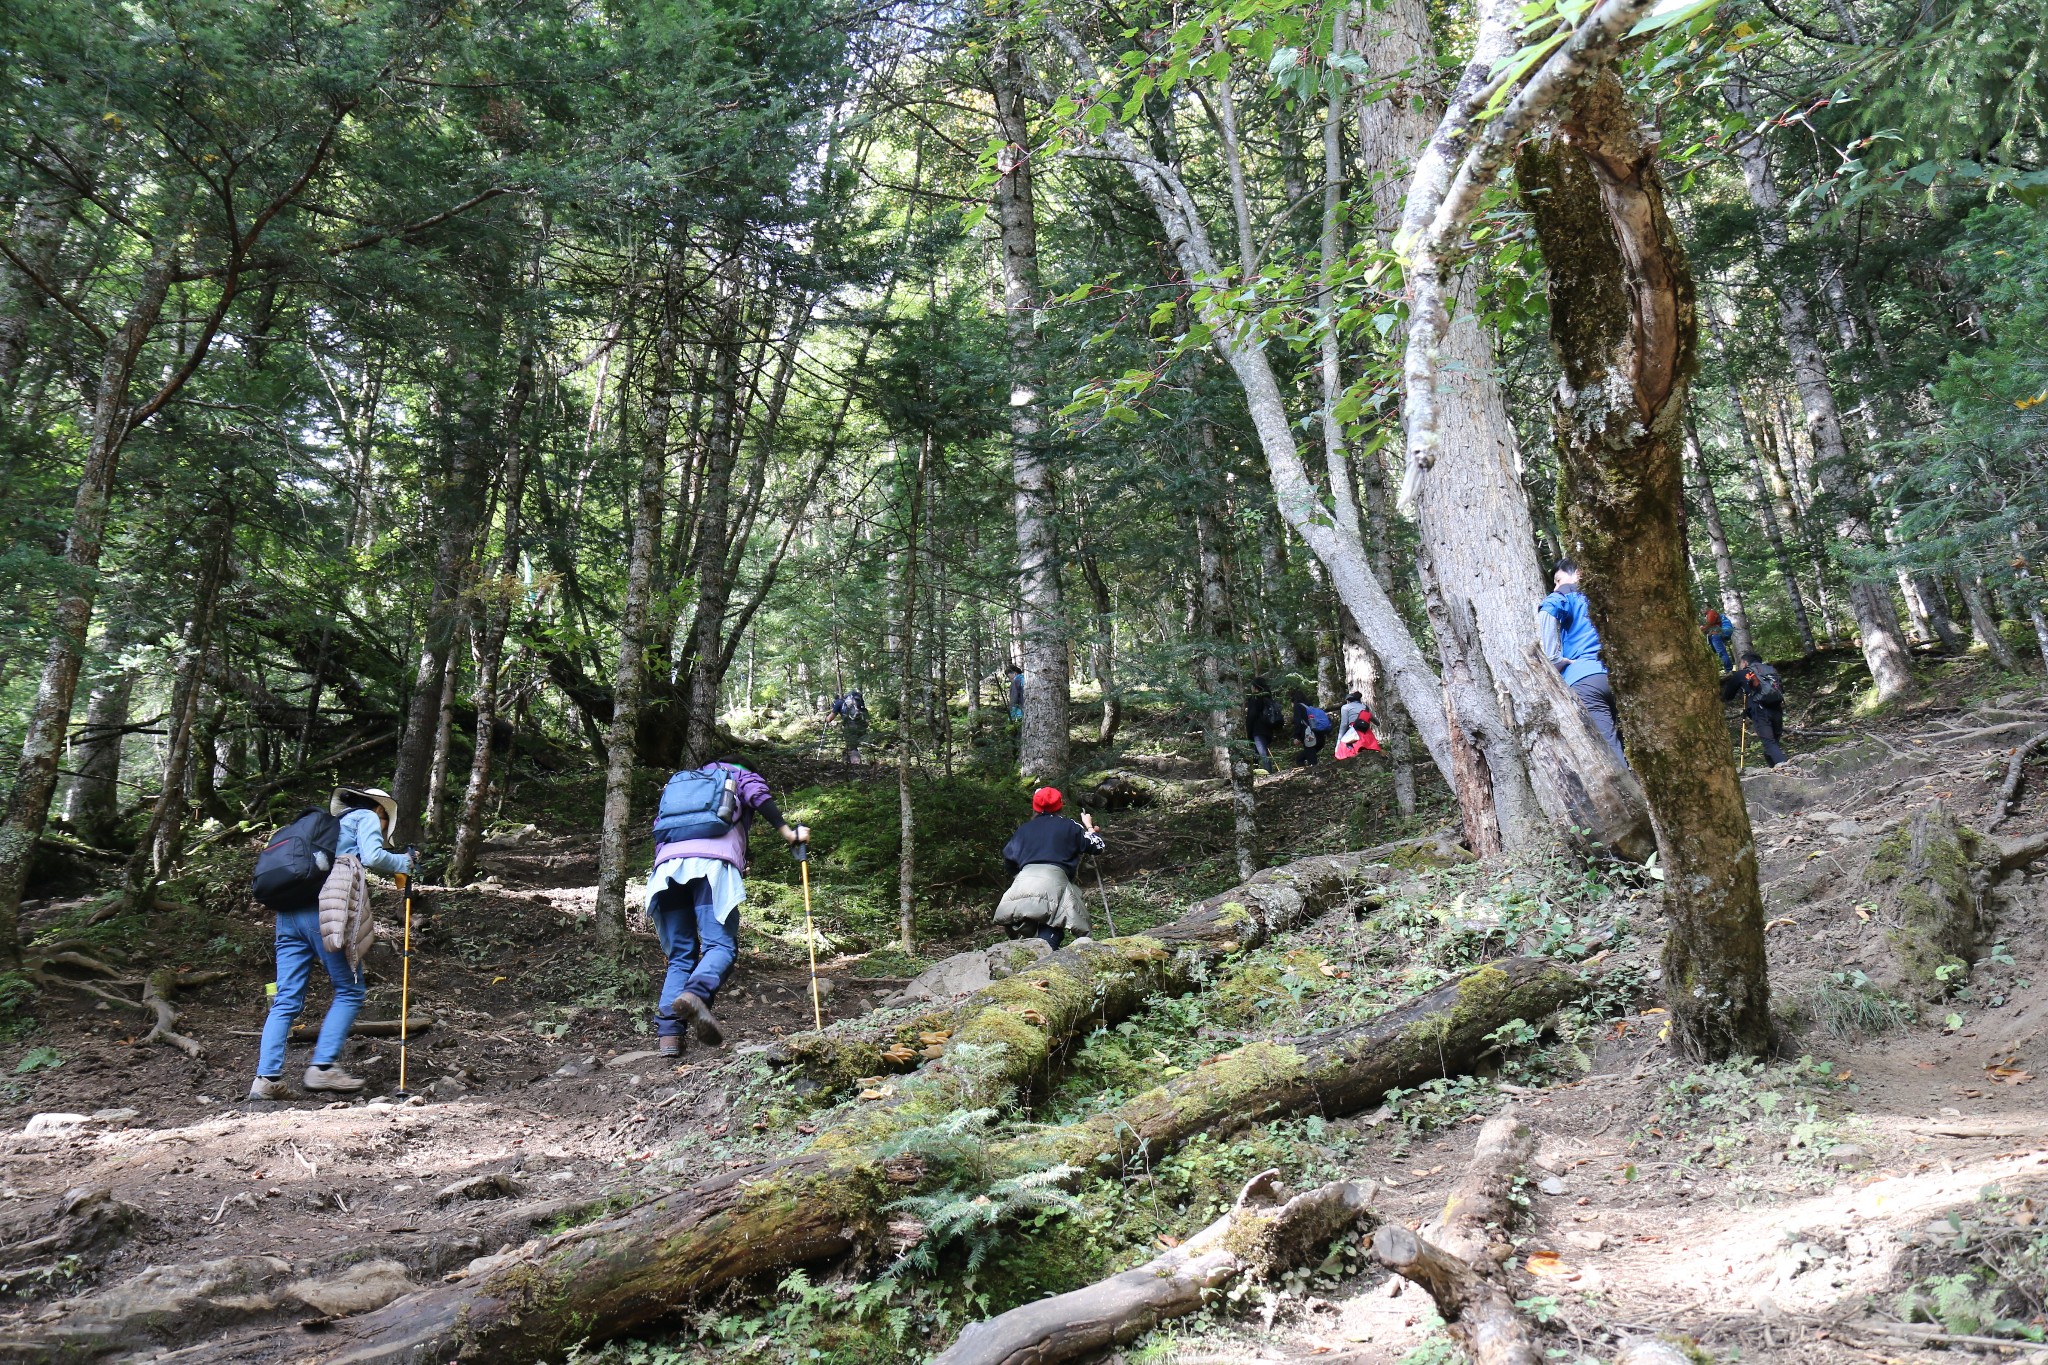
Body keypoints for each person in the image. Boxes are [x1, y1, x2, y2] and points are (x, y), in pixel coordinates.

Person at [248, 785, 412, 1100]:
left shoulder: (327, 829)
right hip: (321, 912)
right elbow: (374, 855)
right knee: (350, 990)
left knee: (285, 999)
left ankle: (266, 1079)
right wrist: (405, 862)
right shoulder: (365, 816)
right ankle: (322, 1069)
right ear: (380, 810)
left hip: (287, 915)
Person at [644, 759, 809, 1055]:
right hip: (712, 868)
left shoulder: (681, 784)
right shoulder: (737, 773)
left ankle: (669, 1036)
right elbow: (759, 797)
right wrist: (788, 832)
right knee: (719, 946)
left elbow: (660, 830)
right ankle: (695, 994)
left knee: (681, 954)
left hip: (665, 871)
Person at [1538, 560, 1627, 764]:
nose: (1556, 586)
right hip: (1620, 678)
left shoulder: (1567, 593)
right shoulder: (1607, 599)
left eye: (1558, 579)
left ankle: (1629, 795)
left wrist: (1553, 658)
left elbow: (1547, 611)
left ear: (1578, 574)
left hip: (1585, 678)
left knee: (1608, 750)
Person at [994, 787, 1105, 950]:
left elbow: (1008, 860)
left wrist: (1019, 876)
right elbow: (1098, 846)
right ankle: (1043, 963)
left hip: (1022, 882)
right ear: (1060, 805)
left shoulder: (1024, 829)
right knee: (1053, 927)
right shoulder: (1069, 826)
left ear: (1035, 807)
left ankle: (1030, 965)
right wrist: (1089, 826)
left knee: (1028, 929)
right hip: (1054, 884)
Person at [1721, 650, 1788, 767]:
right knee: (1774, 740)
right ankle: (1773, 765)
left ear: (1745, 662)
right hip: (1777, 707)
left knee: (1769, 742)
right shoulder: (1771, 670)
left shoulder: (1743, 673)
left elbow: (1728, 696)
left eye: (1741, 663)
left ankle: (1786, 768)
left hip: (1760, 710)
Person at [1244, 676, 1282, 774]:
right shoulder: (1268, 698)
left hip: (1258, 730)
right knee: (1256, 753)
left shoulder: (1255, 698)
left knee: (1262, 753)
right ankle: (1255, 772)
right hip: (1268, 730)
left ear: (1255, 687)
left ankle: (1268, 773)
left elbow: (1251, 716)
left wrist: (1248, 730)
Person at [1334, 691, 1379, 761]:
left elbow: (1344, 724)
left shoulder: (1345, 707)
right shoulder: (1364, 707)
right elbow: (1374, 720)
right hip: (1366, 731)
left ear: (1348, 701)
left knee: (1346, 752)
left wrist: (1339, 741)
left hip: (1354, 731)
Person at [1291, 688, 1329, 767]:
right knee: (1301, 758)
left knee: (1311, 760)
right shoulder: (1310, 707)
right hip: (1319, 735)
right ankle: (1311, 770)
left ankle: (1314, 773)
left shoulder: (1298, 707)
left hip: (1309, 736)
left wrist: (1296, 736)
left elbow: (1297, 722)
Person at [834, 690, 869, 765]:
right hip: (861, 729)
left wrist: (826, 719)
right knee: (850, 747)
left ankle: (856, 766)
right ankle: (847, 765)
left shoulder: (839, 703)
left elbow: (830, 718)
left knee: (853, 748)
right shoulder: (862, 707)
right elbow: (867, 721)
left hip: (849, 728)